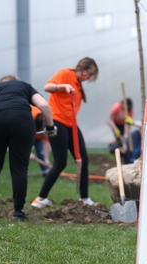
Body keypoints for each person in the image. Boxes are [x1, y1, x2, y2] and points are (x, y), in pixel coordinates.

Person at [0, 75, 57, 221]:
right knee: (19, 168)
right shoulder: (24, 86)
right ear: (16, 82)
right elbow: (44, 106)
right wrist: (50, 127)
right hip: (21, 120)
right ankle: (18, 212)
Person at [31, 57, 99, 208]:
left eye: (91, 75)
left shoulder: (78, 85)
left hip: (71, 124)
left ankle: (84, 198)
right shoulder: (64, 74)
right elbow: (47, 87)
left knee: (83, 159)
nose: (88, 77)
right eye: (89, 73)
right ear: (83, 67)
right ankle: (40, 199)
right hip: (56, 120)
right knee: (60, 162)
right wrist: (63, 87)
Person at [31, 105, 52, 177]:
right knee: (22, 157)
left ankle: (45, 171)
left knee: (41, 153)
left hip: (37, 137)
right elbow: (19, 141)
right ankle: (19, 172)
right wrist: (27, 153)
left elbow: (46, 142)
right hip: (27, 135)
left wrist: (46, 159)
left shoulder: (46, 122)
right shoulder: (28, 120)